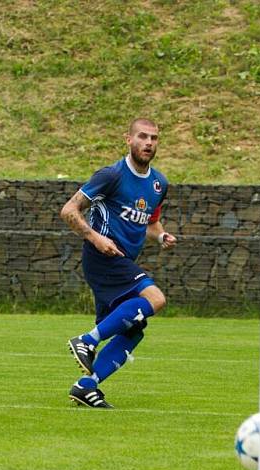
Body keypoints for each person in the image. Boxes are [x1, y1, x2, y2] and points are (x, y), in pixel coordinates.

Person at [60, 118, 177, 409]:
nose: (149, 143)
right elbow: (69, 210)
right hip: (103, 257)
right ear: (128, 140)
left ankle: (86, 386)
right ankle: (86, 340)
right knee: (155, 298)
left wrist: (160, 235)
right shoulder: (111, 175)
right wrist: (95, 238)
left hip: (122, 259)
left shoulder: (158, 183)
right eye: (142, 136)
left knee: (131, 330)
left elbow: (149, 222)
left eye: (154, 138)